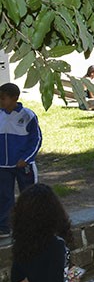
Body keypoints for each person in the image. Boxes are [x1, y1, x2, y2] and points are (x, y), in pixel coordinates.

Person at [0, 82, 41, 238]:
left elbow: (36, 139)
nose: (0, 102)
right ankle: (4, 226)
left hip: (23, 164)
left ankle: (32, 225)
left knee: (29, 194)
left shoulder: (27, 115)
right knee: (4, 195)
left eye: (3, 99)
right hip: (3, 165)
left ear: (14, 98)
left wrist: (27, 158)